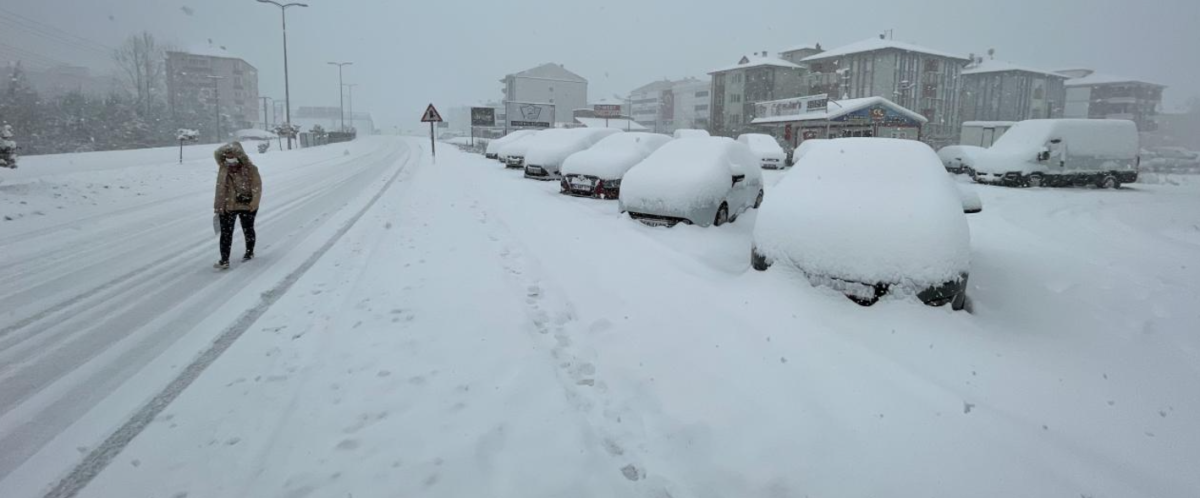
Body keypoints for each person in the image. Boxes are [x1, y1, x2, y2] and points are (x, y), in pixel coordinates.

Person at [212, 142, 262, 270]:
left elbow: (256, 187)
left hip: (246, 205)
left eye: (232, 156)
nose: (230, 159)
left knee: (248, 229)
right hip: (228, 205)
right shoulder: (223, 169)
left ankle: (249, 252)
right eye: (227, 156)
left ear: (239, 156)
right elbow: (220, 189)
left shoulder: (251, 169)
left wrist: (253, 204)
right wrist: (218, 207)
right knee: (226, 233)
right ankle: (224, 260)